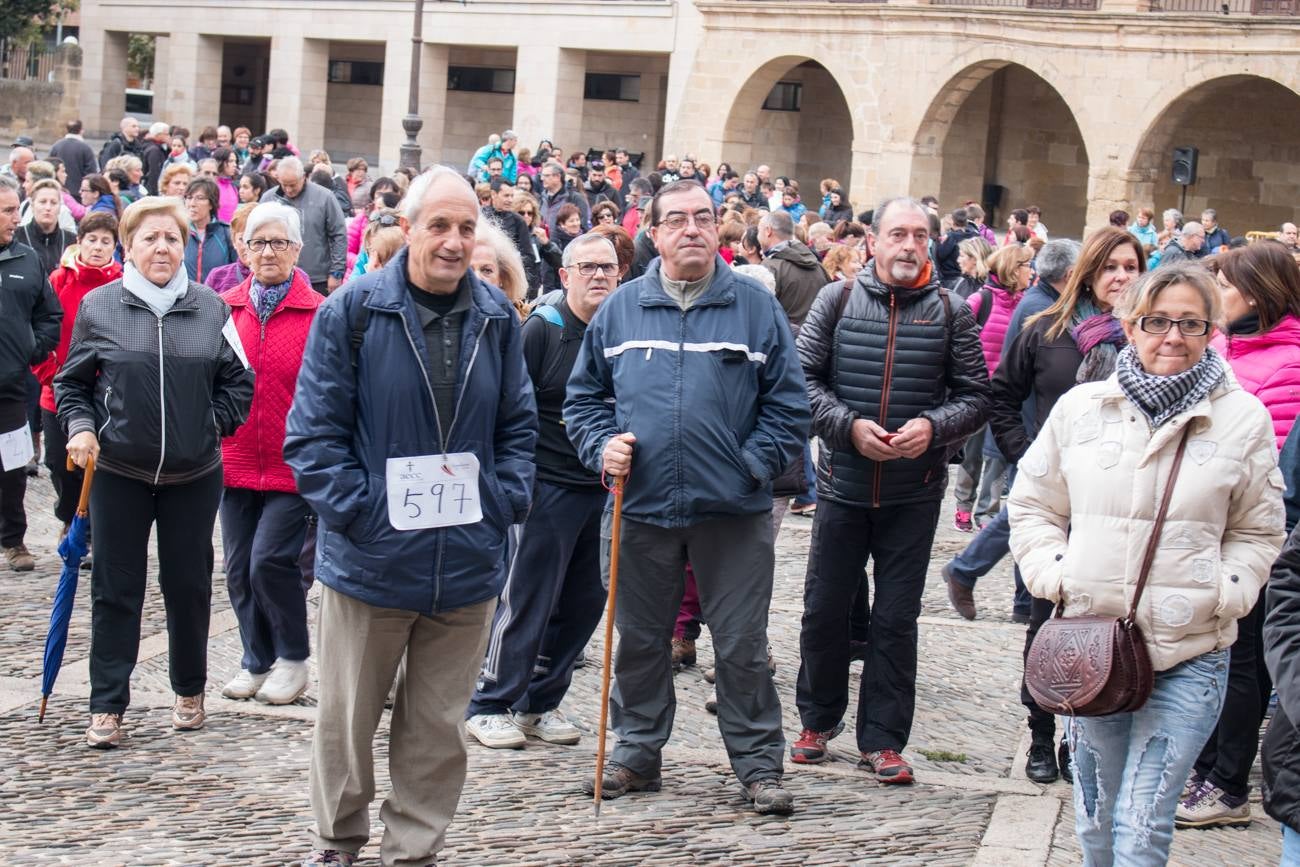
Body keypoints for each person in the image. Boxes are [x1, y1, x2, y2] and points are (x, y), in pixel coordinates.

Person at [285, 166, 537, 866]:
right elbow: (312, 437)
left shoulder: (496, 317)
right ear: (409, 228)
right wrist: (363, 514)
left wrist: (499, 504)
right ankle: (338, 841)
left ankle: (414, 849)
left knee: (436, 727)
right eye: (440, 226)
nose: (454, 242)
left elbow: (519, 429)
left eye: (466, 228)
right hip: (371, 562)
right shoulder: (355, 311)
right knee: (346, 719)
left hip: (465, 566)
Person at [1008, 262, 1283, 865]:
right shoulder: (1082, 409)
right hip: (1092, 643)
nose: (1172, 336)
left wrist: (1224, 590)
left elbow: (1259, 529)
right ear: (1130, 326)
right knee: (1096, 821)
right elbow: (1032, 502)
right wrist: (1057, 574)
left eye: (1190, 323)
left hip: (1192, 648)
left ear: (1213, 330)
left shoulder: (1243, 419)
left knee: (1143, 821)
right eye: (1157, 321)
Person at [565, 180, 810, 816]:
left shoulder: (756, 309)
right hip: (640, 507)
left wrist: (748, 468)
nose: (692, 229)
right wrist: (600, 447)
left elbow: (788, 406)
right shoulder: (620, 311)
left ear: (718, 230)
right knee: (641, 641)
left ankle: (758, 766)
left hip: (731, 514)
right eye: (677, 220)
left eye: (704, 218)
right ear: (653, 233)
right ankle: (636, 753)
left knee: (741, 646)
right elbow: (584, 400)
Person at [790, 197, 989, 784]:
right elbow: (802, 383)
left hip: (914, 492)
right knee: (824, 610)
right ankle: (817, 719)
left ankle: (882, 739)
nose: (909, 246)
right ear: (872, 242)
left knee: (896, 620)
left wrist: (935, 428)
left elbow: (976, 396)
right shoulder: (838, 298)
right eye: (897, 234)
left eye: (920, 236)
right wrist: (847, 427)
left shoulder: (952, 312)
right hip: (843, 487)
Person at [56, 196, 254, 748]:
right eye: (150, 238)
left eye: (172, 238)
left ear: (187, 245)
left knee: (188, 585)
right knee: (116, 588)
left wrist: (209, 425)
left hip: (193, 474)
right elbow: (72, 382)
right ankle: (107, 705)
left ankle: (189, 689)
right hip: (119, 469)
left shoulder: (211, 308)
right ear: (130, 246)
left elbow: (239, 381)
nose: (162, 248)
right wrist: (80, 425)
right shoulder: (101, 307)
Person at [984, 227, 1142, 781]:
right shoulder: (1044, 331)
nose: (1121, 277)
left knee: (1104, 622)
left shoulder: (1150, 339)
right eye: (1110, 267)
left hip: (1122, 506)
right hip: (1058, 505)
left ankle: (1084, 735)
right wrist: (1028, 460)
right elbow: (1001, 396)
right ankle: (1040, 734)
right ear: (1089, 272)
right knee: (1043, 618)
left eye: (1130, 266)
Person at [465, 232, 617, 749]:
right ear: (565, 274)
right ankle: (490, 701)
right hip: (544, 485)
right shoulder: (542, 330)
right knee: (527, 600)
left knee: (583, 604)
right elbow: (508, 409)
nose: (599, 276)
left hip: (602, 490)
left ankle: (541, 701)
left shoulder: (620, 333)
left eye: (609, 268)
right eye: (589, 267)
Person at [1175, 240, 1300, 829]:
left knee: (1243, 658)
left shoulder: (1290, 359)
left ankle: (1227, 784)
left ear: (1259, 293)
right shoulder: (1229, 349)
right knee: (1213, 652)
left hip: (1255, 531)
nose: (1215, 295)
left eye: (1224, 284)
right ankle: (1202, 770)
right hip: (1207, 526)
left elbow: (1275, 459)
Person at [217, 202, 323, 706]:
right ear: (243, 249)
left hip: (292, 465)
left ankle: (292, 657)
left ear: (297, 249)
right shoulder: (224, 308)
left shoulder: (318, 312)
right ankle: (255, 660)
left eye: (279, 242)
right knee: (238, 568)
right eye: (258, 243)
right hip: (234, 460)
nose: (268, 252)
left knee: (269, 564)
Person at [33, 212, 121, 539]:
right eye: (92, 240)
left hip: (104, 390)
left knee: (99, 464)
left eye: (105, 241)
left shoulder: (121, 282)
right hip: (57, 385)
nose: (97, 247)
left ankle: (91, 527)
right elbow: (39, 326)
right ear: (79, 242)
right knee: (59, 460)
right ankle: (70, 515)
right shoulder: (59, 279)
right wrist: (47, 370)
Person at [0, 176, 62, 571]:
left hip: (9, 387)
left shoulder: (27, 259)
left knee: (13, 468)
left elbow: (49, 315)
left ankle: (13, 541)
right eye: (7, 210)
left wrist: (29, 348)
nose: (14, 217)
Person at [261, 156, 347, 295]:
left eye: (293, 185)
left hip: (317, 278)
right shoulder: (268, 198)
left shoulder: (325, 197)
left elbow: (339, 235)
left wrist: (336, 272)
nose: (288, 190)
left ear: (304, 177)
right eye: (284, 185)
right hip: (277, 276)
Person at [758, 210, 826, 329]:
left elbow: (760, 314)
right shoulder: (818, 266)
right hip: (814, 341)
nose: (758, 236)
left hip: (784, 341)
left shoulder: (770, 268)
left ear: (768, 231)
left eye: (759, 231)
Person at [470, 216, 528, 320]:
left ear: (502, 277)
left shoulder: (510, 323)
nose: (477, 278)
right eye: (468, 270)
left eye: (486, 270)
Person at [15, 180, 75, 277]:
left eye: (53, 202)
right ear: (32, 205)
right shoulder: (16, 237)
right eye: (43, 202)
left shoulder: (72, 241)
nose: (48, 207)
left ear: (60, 207)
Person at [183, 178, 237, 284]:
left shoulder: (226, 233)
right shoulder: (180, 232)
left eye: (200, 198)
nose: (192, 203)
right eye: (189, 198)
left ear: (211, 204)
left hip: (217, 297)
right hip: (185, 298)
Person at [205, 203, 257, 294]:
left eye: (256, 240)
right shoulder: (217, 277)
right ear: (234, 241)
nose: (248, 246)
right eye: (242, 239)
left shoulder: (277, 278)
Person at [49, 119, 98, 197]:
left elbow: (49, 166)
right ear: (81, 131)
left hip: (58, 190)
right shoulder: (86, 148)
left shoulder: (56, 146)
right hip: (78, 192)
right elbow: (91, 172)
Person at [935, 208, 982, 286]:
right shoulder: (975, 235)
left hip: (950, 277)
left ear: (952, 221)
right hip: (970, 276)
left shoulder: (951, 237)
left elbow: (940, 255)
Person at [211, 147, 241, 223]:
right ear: (220, 162)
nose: (234, 165)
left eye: (235, 161)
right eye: (230, 161)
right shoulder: (212, 185)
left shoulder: (233, 186)